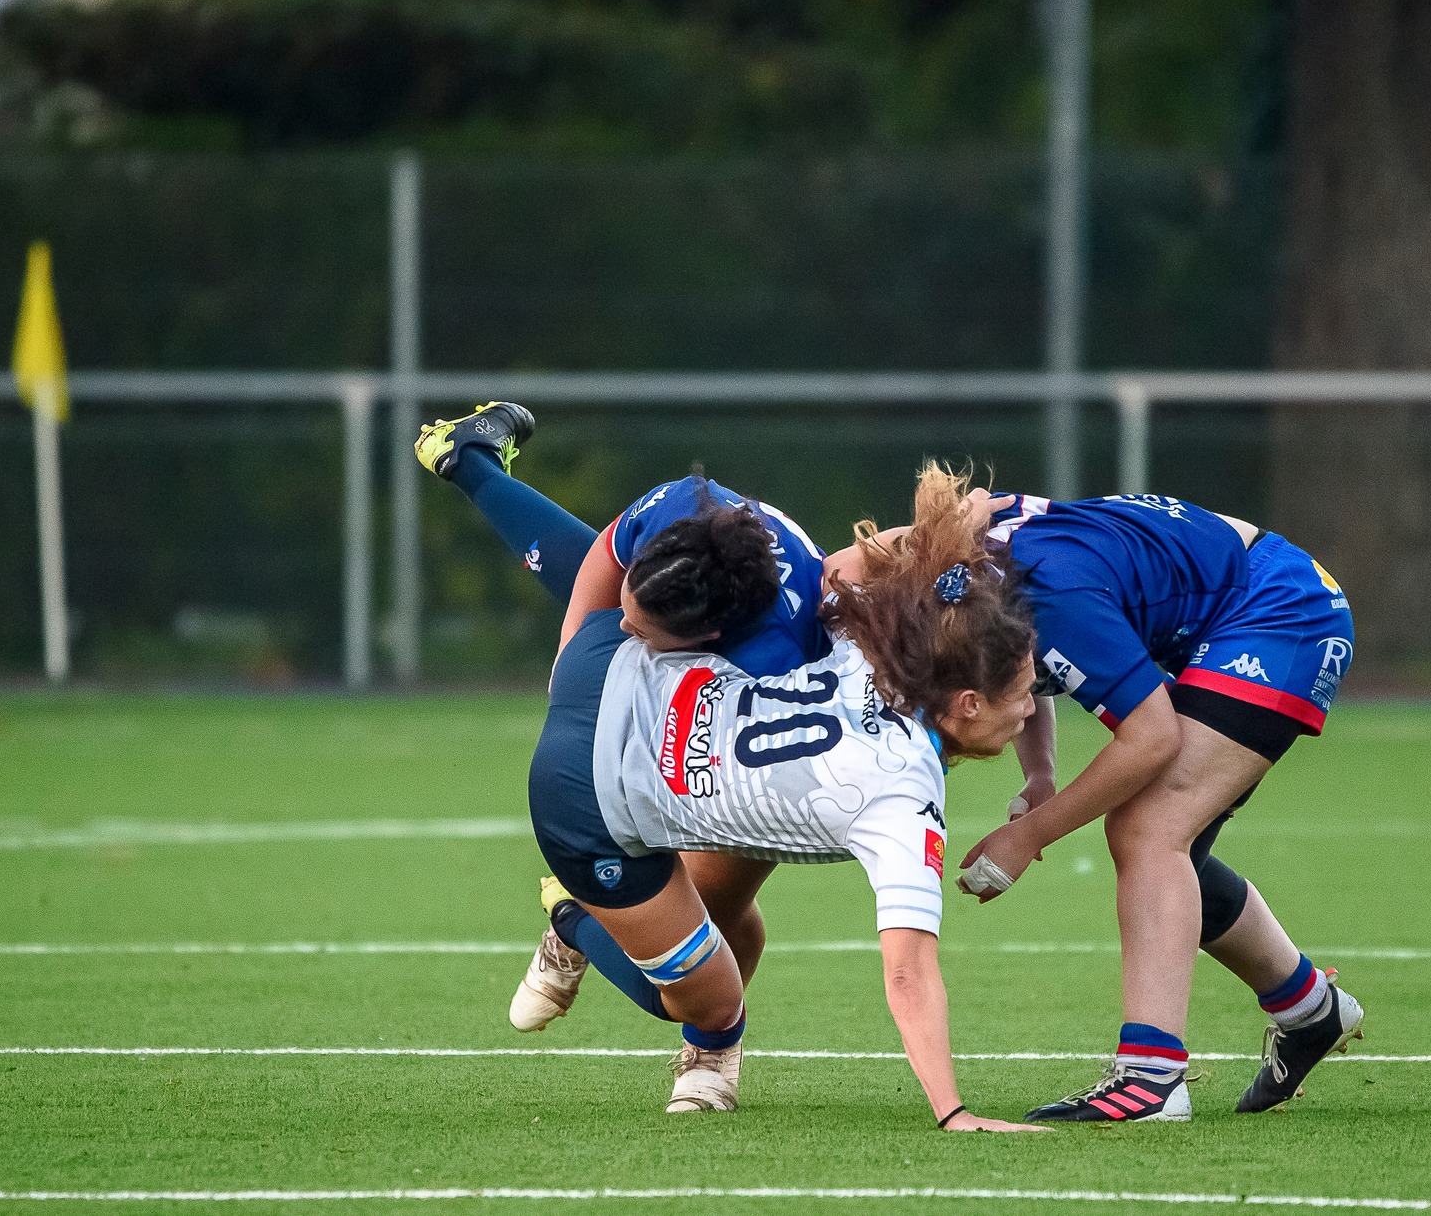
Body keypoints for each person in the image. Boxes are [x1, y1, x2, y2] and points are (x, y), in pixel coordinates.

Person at [415, 405, 1046, 1131]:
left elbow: (874, 570)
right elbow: (906, 970)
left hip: (619, 684)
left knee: (738, 934)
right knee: (702, 998)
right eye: (1026, 694)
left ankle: (469, 463)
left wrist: (954, 545)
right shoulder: (903, 789)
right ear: (964, 700)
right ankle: (578, 915)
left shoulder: (861, 636)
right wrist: (953, 1111)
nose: (1034, 708)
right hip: (584, 796)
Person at [830, 476, 1363, 1122]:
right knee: (1170, 848)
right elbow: (1016, 660)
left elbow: (1151, 735)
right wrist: (1041, 774)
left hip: (1279, 609)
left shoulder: (1049, 600)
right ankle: (1308, 1008)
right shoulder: (964, 589)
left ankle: (1152, 1076)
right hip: (1235, 598)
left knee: (1148, 828)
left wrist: (1030, 832)